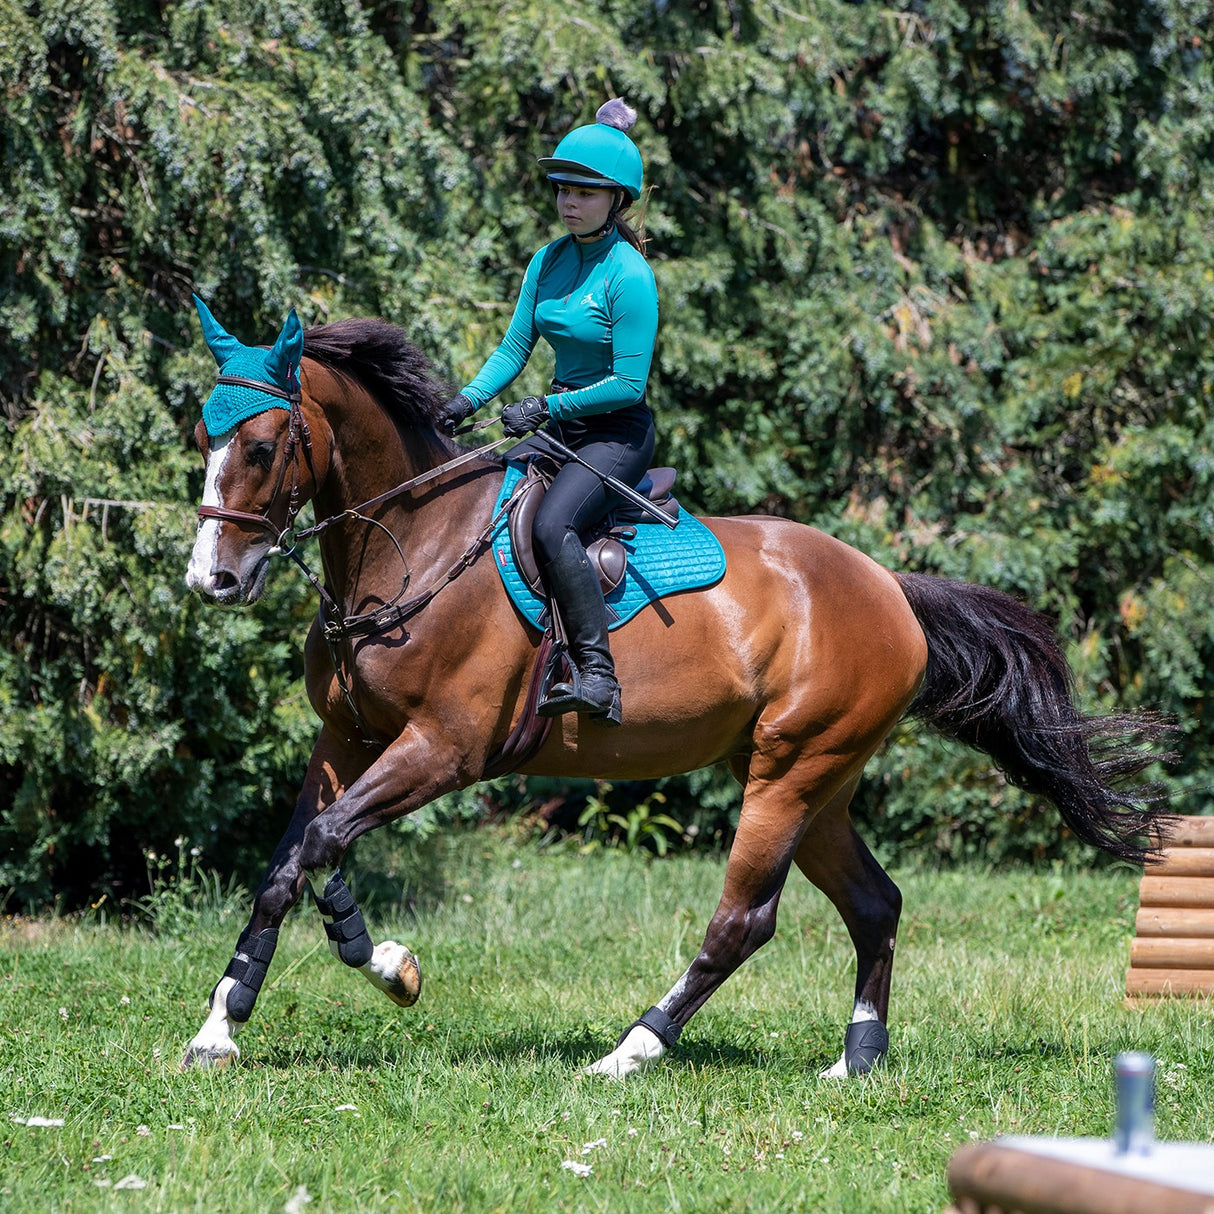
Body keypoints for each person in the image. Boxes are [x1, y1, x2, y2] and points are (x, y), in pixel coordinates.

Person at [441, 99, 659, 728]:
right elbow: (514, 349)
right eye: (564, 188)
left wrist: (546, 404)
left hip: (615, 435)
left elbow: (628, 383)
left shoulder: (630, 274)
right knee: (481, 502)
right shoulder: (548, 260)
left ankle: (598, 676)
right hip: (560, 423)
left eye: (587, 192)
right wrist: (462, 403)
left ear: (617, 200)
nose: (570, 201)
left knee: (552, 525)